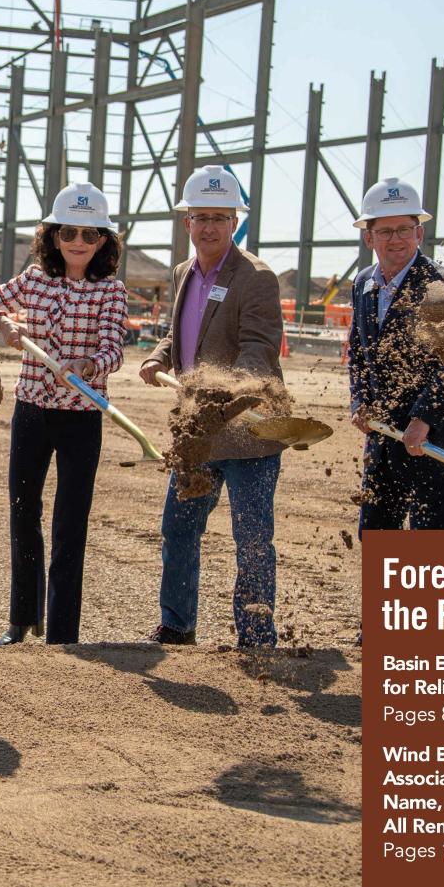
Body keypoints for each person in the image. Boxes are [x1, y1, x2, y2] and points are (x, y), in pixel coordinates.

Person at [0, 182, 128, 646]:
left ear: (104, 242)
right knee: (23, 512)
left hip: (82, 418)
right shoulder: (34, 279)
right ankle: (21, 620)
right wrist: (2, 323)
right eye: (69, 231)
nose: (78, 241)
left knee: (70, 524)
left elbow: (116, 350)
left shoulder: (111, 292)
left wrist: (89, 366)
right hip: (31, 413)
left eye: (90, 234)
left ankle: (62, 634)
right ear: (53, 236)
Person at [139, 164, 285, 649]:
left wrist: (222, 393)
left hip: (249, 431)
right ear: (187, 223)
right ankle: (177, 626)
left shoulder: (257, 277)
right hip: (197, 433)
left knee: (252, 539)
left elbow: (259, 347)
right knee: (178, 530)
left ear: (235, 222)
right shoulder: (183, 272)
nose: (208, 227)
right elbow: (184, 334)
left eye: (219, 218)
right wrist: (160, 355)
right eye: (200, 216)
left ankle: (257, 634)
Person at [348, 177, 444, 537]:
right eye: (385, 231)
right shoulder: (362, 284)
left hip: (440, 437)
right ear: (368, 237)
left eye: (405, 229)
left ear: (419, 234)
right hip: (386, 434)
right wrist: (359, 400)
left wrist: (423, 418)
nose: (396, 239)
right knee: (375, 534)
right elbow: (358, 351)